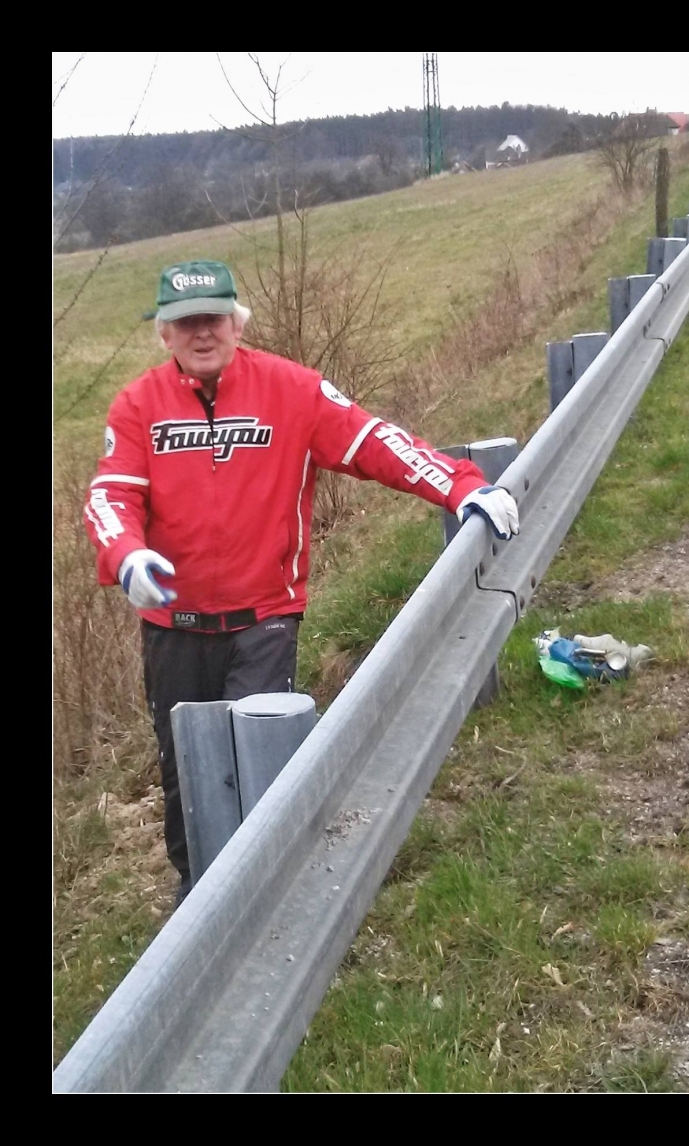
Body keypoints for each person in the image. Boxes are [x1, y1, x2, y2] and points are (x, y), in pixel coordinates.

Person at [84, 259, 519, 908]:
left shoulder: (292, 390)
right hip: (174, 630)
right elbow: (111, 495)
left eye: (214, 319)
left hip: (264, 619)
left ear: (237, 324)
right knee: (188, 781)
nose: (202, 333)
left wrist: (460, 486)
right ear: (164, 333)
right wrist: (126, 556)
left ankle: (272, 904)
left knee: (260, 769)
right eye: (185, 322)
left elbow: (374, 441)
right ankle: (197, 908)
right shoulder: (137, 405)